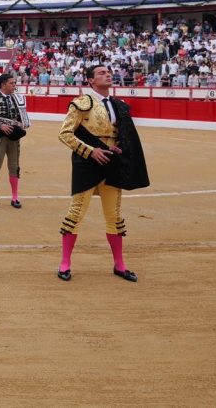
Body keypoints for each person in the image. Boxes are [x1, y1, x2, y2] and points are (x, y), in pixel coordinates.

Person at [56, 64, 150, 282]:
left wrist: (117, 147)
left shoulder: (119, 106)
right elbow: (65, 134)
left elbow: (121, 136)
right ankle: (65, 263)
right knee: (76, 212)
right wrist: (91, 151)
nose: (107, 75)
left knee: (114, 215)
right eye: (101, 73)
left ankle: (120, 264)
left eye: (108, 72)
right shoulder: (82, 103)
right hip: (86, 163)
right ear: (90, 81)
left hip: (111, 162)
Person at [0, 74, 31, 208]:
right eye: (12, 83)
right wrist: (0, 126)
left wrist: (20, 125)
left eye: (14, 83)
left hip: (14, 138)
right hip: (0, 137)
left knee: (14, 167)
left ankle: (15, 197)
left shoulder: (17, 99)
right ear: (3, 84)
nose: (14, 85)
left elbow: (22, 117)